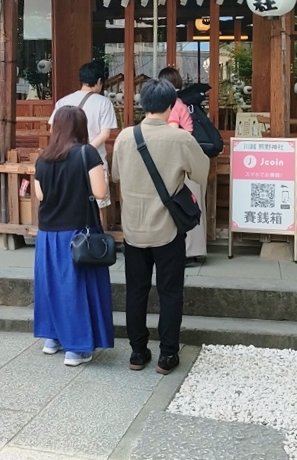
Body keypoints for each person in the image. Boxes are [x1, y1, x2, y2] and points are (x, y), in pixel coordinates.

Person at [111, 79, 210, 374]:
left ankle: (138, 353)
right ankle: (167, 354)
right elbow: (202, 173)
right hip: (168, 228)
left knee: (136, 291)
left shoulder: (125, 137)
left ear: (143, 104)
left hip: (133, 228)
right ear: (171, 105)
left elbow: (116, 175)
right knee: (170, 292)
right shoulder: (179, 139)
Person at [33, 106, 114, 367]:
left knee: (52, 287)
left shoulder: (43, 157)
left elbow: (40, 195)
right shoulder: (86, 153)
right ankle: (76, 348)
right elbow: (100, 193)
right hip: (78, 232)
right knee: (76, 289)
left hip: (47, 234)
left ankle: (52, 338)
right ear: (81, 126)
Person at [49, 62, 119, 217]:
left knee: (68, 201)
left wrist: (70, 149)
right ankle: (95, 239)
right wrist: (84, 150)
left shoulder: (63, 101)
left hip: (64, 158)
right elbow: (105, 134)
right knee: (97, 204)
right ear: (99, 81)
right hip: (93, 159)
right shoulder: (104, 102)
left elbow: (53, 130)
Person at [157, 66, 207, 264]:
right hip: (190, 157)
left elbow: (172, 132)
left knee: (181, 204)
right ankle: (193, 250)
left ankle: (185, 251)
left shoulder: (172, 105)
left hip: (177, 160)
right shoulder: (182, 102)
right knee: (192, 203)